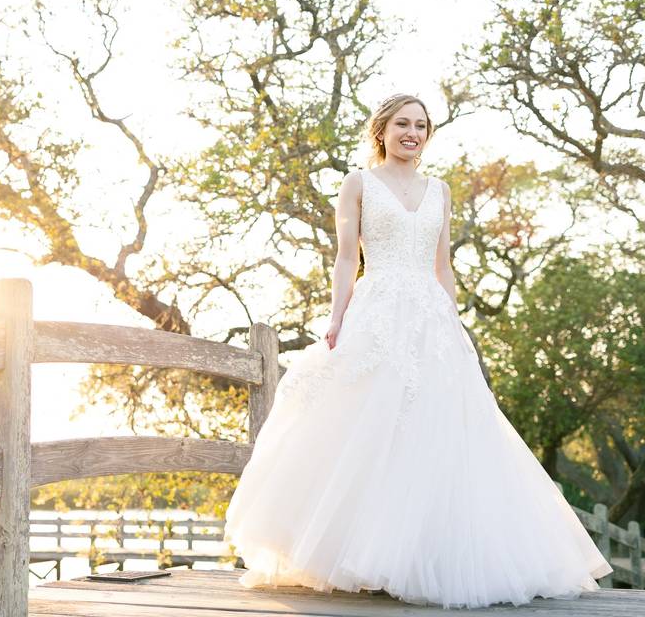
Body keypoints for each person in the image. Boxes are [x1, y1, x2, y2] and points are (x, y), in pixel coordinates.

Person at [222, 93, 614, 609]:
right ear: (381, 131)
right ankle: (355, 555)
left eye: (422, 126)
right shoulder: (358, 183)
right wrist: (337, 316)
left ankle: (417, 557)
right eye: (403, 124)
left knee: (436, 431)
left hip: (430, 318)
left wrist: (452, 324)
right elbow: (345, 259)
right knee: (365, 425)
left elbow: (443, 266)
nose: (413, 133)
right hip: (377, 310)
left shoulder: (441, 191)